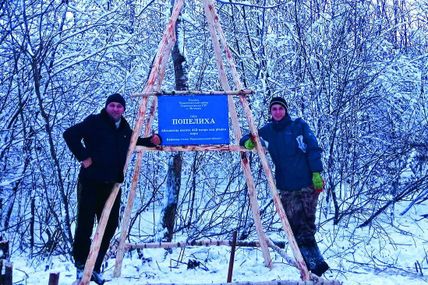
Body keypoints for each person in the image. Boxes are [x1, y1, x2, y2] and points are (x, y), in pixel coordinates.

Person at [63, 93, 161, 284]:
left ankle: (95, 266)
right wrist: (84, 157)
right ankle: (81, 266)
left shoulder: (124, 128)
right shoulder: (94, 122)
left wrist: (152, 140)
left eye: (119, 106)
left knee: (109, 227)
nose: (116, 109)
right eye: (112, 105)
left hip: (112, 185)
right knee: (85, 225)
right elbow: (69, 134)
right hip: (90, 182)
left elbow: (135, 141)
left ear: (123, 109)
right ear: (107, 106)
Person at [240, 96, 329, 277]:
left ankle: (316, 263)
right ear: (270, 112)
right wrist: (248, 142)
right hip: (286, 186)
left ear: (286, 110)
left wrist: (316, 173)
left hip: (307, 183)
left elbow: (313, 147)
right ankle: (306, 263)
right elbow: (247, 138)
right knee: (294, 224)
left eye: (281, 108)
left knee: (307, 223)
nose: (278, 112)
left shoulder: (298, 126)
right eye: (274, 109)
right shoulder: (268, 130)